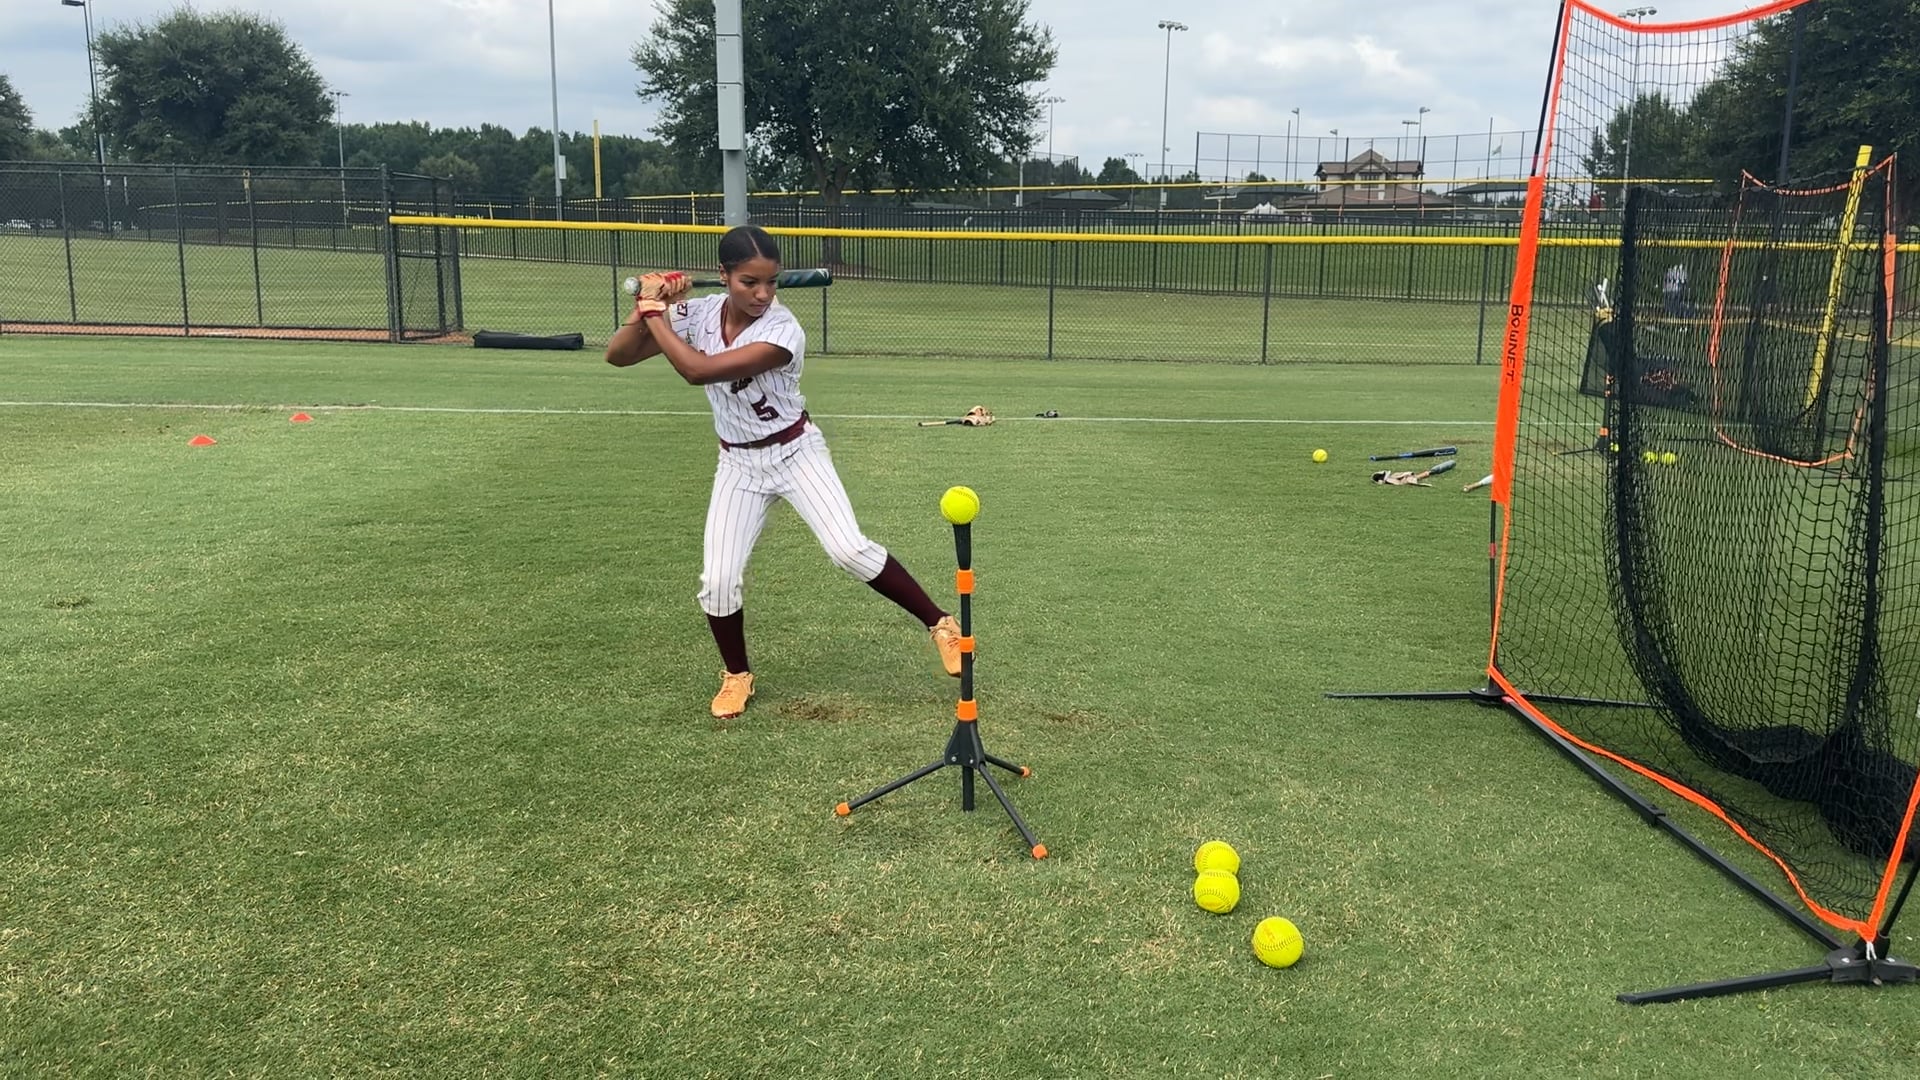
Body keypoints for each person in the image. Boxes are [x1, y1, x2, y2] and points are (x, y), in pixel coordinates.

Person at [604, 225, 963, 719]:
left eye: (770, 281)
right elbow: (619, 355)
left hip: (796, 453)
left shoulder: (782, 329)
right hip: (738, 463)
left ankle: (942, 625)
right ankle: (737, 675)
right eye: (749, 282)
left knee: (848, 549)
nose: (763, 293)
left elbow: (696, 371)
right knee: (718, 580)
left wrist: (655, 313)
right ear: (725, 275)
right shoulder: (699, 314)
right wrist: (645, 309)